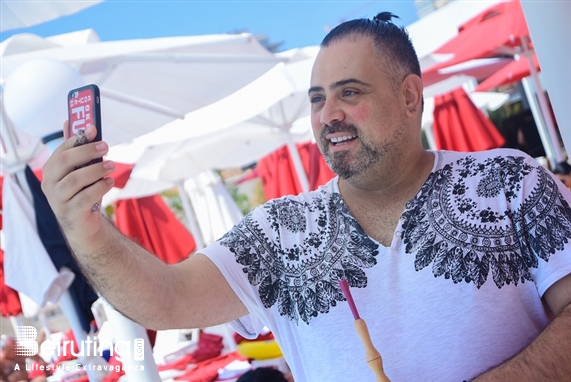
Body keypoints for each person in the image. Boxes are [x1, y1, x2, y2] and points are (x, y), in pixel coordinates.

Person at [41, 12, 571, 382]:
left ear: (410, 96)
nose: (328, 114)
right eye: (318, 98)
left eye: (350, 92)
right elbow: (165, 298)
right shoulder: (281, 231)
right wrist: (84, 226)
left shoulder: (509, 180)